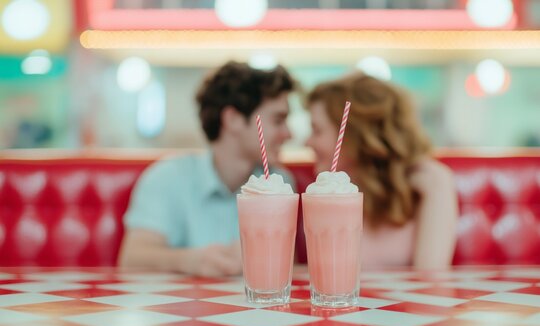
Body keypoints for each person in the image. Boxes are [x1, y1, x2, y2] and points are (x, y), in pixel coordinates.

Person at [119, 61, 296, 276]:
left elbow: (286, 267)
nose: (289, 134)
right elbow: (131, 258)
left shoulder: (280, 181)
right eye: (278, 120)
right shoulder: (167, 177)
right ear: (233, 119)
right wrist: (190, 260)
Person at [305, 73, 458, 270]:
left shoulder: (430, 180)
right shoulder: (323, 192)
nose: (307, 142)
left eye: (317, 131)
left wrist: (435, 192)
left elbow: (430, 276)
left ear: (355, 135)